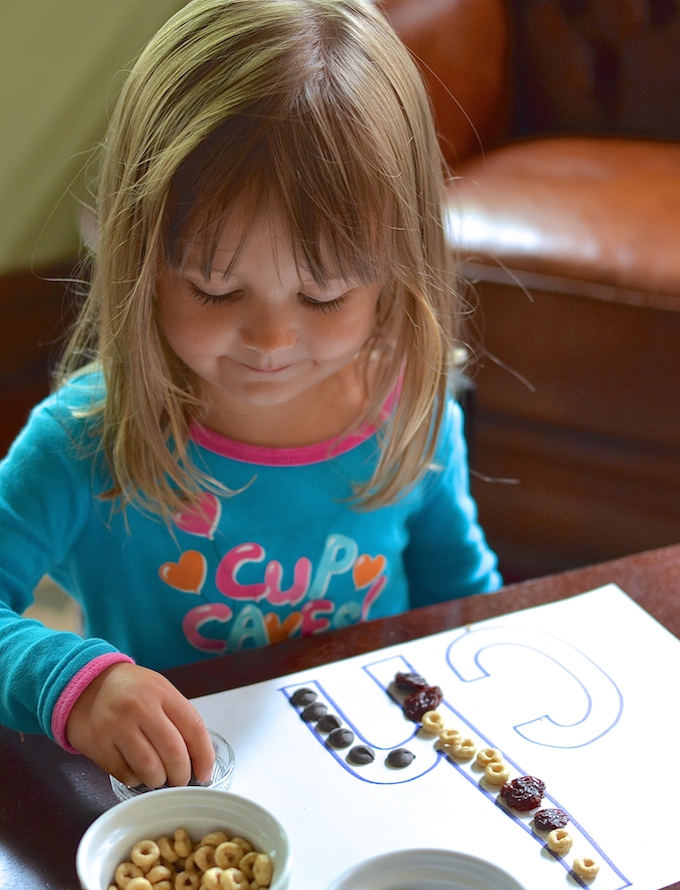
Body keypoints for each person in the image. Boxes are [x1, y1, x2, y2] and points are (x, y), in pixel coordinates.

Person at [0, 0, 501, 791]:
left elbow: (460, 603)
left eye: (327, 296)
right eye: (215, 288)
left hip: (379, 788)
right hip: (187, 813)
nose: (270, 343)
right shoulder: (81, 442)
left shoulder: (412, 415)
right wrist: (75, 683)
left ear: (398, 268)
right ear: (142, 257)